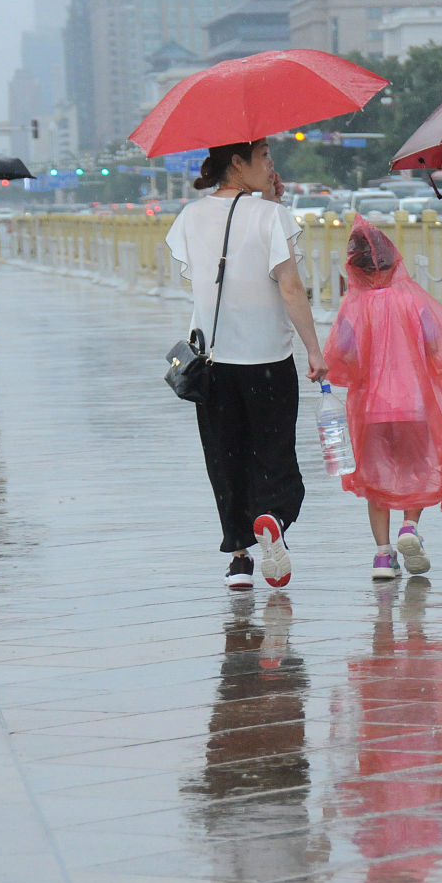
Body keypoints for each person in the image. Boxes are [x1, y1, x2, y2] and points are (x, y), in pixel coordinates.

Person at [165, 140, 327, 590]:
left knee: (224, 457)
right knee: (275, 457)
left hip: (212, 362)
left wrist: (267, 204)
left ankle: (239, 559)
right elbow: (290, 288)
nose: (272, 164)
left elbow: (203, 281)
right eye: (264, 157)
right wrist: (314, 348)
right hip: (268, 361)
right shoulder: (271, 217)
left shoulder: (188, 218)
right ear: (238, 164)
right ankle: (271, 519)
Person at [323, 217, 442, 580]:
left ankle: (383, 555)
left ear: (353, 267)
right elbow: (438, 346)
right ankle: (409, 528)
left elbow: (341, 354)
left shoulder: (353, 306)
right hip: (414, 404)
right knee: (417, 468)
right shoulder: (412, 300)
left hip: (371, 408)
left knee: (375, 478)